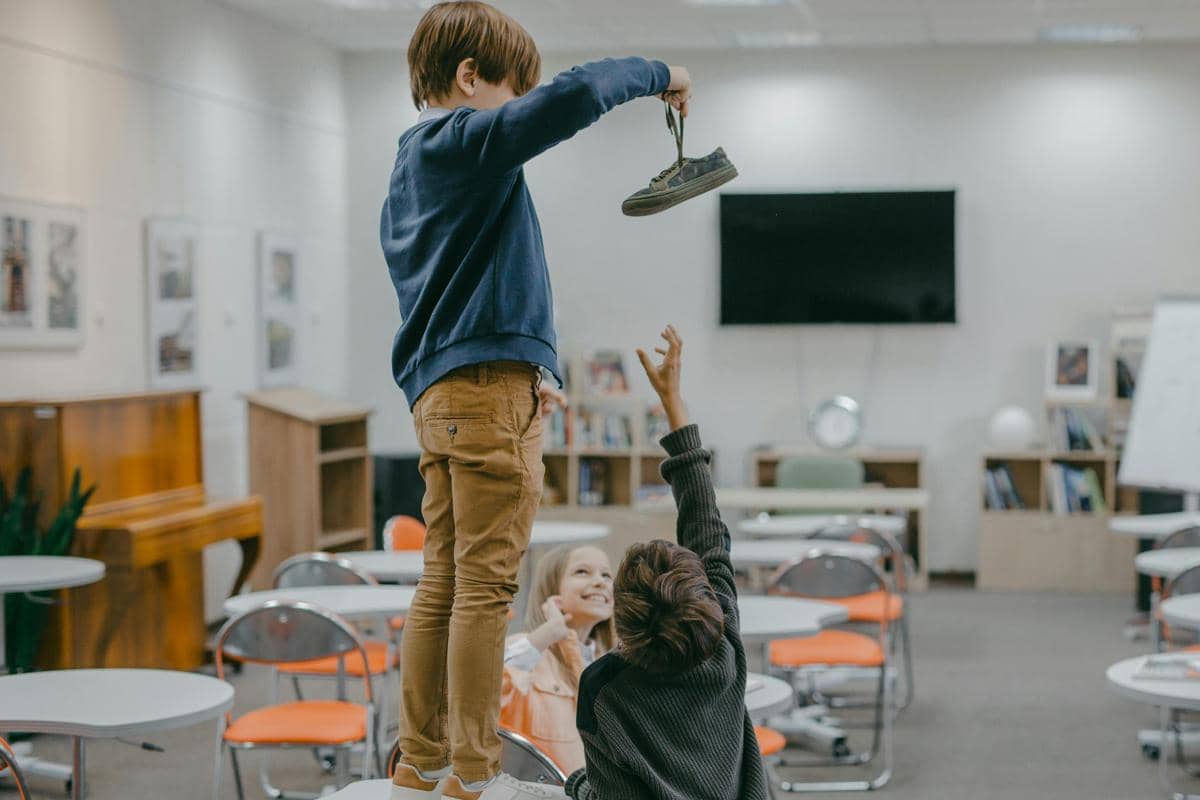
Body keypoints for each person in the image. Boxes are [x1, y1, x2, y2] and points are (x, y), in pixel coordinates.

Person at [382, 3, 693, 798]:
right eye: (508, 90)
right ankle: (474, 773)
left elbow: (457, 294)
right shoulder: (466, 142)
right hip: (486, 395)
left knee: (443, 580)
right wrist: (665, 75)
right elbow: (575, 94)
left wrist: (524, 362)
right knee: (485, 587)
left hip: (443, 393)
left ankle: (419, 763)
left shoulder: (409, 165)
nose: (517, 107)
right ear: (468, 78)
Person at [564, 326, 769, 800]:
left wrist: (577, 786)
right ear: (708, 605)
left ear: (621, 619)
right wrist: (674, 402)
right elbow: (705, 524)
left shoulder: (603, 687)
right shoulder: (723, 647)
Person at [500, 545, 616, 774]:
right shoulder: (530, 649)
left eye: (606, 575)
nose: (600, 582)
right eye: (582, 572)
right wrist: (551, 632)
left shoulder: (611, 664)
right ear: (552, 589)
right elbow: (481, 689)